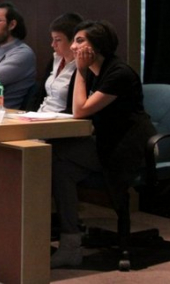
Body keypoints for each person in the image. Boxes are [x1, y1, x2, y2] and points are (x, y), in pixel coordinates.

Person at [50, 20, 156, 268]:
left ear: (97, 46)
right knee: (60, 168)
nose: (73, 47)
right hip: (106, 143)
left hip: (128, 149)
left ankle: (67, 242)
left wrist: (80, 71)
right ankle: (70, 244)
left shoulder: (118, 74)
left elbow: (80, 111)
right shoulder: (94, 72)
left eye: (80, 41)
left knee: (54, 152)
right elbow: (76, 110)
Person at [34, 12, 83, 113]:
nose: (53, 44)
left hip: (61, 118)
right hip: (40, 114)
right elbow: (40, 96)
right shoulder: (55, 59)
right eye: (53, 39)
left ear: (74, 40)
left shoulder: (81, 66)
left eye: (58, 40)